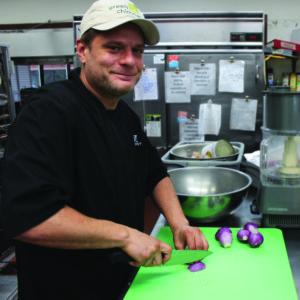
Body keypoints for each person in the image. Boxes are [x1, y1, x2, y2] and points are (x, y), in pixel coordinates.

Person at [1, 0, 209, 299]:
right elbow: (29, 217)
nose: (129, 60)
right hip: (65, 289)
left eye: (137, 50)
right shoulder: (48, 112)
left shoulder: (124, 116)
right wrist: (124, 235)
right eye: (114, 48)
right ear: (83, 50)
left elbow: (153, 171)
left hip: (123, 284)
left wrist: (179, 223)